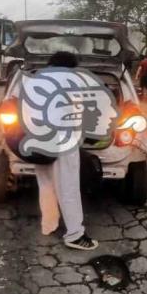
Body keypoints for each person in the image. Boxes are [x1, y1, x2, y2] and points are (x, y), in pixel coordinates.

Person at [35, 51, 99, 251]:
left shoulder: (36, 79)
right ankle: (74, 234)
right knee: (68, 188)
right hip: (63, 142)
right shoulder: (73, 82)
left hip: (37, 142)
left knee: (46, 184)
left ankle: (49, 224)